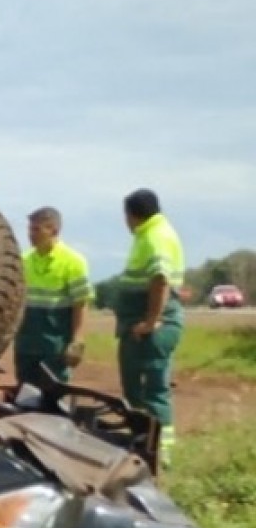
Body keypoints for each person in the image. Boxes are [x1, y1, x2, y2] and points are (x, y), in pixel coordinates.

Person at [114, 188, 185, 462]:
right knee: (138, 392)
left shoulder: (156, 237)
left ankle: (157, 452)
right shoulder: (151, 234)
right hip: (141, 327)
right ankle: (144, 445)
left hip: (152, 329)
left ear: (132, 215)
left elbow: (160, 279)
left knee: (152, 391)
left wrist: (151, 322)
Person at [14, 206, 92, 388]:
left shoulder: (73, 262)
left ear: (54, 230)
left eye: (36, 229)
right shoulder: (23, 260)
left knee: (53, 394)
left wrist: (78, 340)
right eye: (29, 229)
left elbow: (80, 303)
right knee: (25, 394)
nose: (30, 235)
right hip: (26, 344)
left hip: (55, 346)